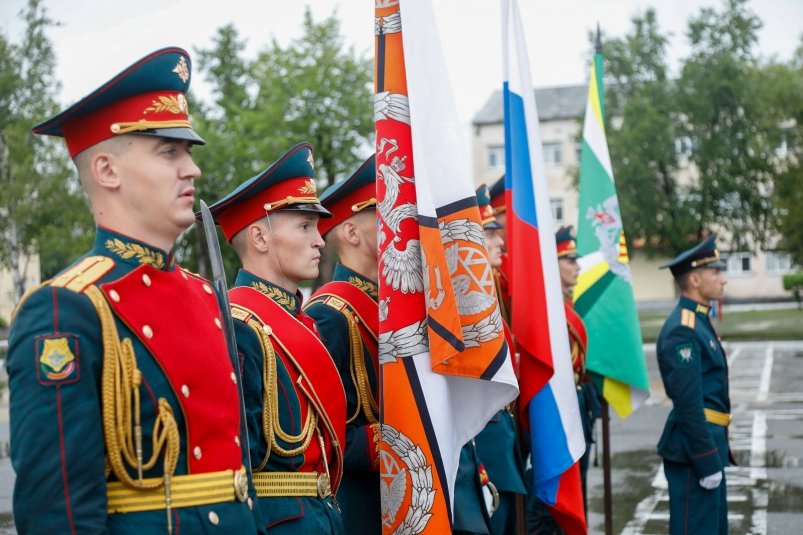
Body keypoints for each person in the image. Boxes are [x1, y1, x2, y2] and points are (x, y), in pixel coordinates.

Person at [7, 47, 260, 534]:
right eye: (169, 152)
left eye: (187, 153)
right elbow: (57, 515)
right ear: (107, 171)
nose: (192, 170)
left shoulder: (208, 297)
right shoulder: (66, 310)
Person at [205, 142, 346, 534]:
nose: (319, 240)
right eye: (304, 226)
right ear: (260, 238)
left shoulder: (299, 320)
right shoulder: (238, 326)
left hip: (325, 516)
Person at [302, 155, 381, 534]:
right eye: (383, 216)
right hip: (361, 503)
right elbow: (328, 434)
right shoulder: (329, 312)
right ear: (352, 234)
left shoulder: (391, 305)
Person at [657, 233, 732, 535]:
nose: (723, 279)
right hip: (694, 451)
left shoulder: (698, 320)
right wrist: (705, 460)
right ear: (696, 280)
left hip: (708, 444)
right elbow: (689, 404)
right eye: (716, 272)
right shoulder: (683, 330)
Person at [528, 226, 600, 534]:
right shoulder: (546, 311)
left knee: (575, 493)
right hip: (554, 411)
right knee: (550, 507)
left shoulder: (565, 308)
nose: (577, 265)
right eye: (568, 259)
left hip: (575, 405)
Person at [470, 184, 528, 535]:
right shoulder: (469, 302)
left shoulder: (488, 298)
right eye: (489, 233)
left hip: (500, 439)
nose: (500, 243)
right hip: (485, 447)